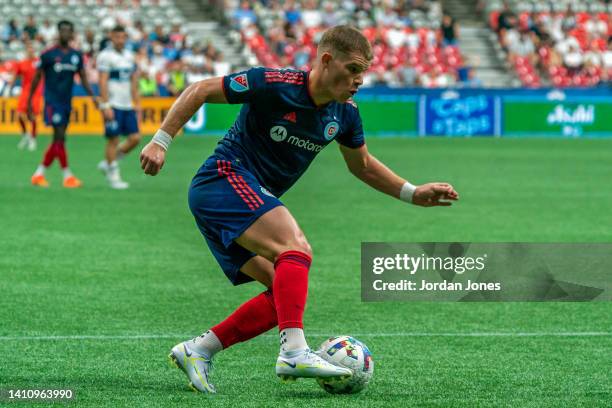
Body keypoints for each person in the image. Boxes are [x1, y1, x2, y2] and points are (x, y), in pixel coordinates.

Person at [139, 25, 459, 393]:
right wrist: (161, 141)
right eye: (353, 69)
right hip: (221, 179)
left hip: (237, 198)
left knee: (285, 292)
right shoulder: (273, 83)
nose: (358, 80)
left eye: (363, 73)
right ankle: (294, 351)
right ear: (326, 60)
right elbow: (201, 90)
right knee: (296, 248)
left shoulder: (346, 114)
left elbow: (363, 166)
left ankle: (199, 350)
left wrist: (413, 193)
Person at [28, 20, 99, 188]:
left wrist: (93, 97)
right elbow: (37, 77)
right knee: (60, 136)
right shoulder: (48, 54)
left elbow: (82, 77)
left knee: (57, 140)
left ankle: (38, 174)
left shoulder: (76, 55)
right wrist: (31, 100)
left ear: (72, 34)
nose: (66, 34)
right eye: (63, 31)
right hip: (52, 102)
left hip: (66, 103)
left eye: (69, 31)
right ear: (58, 32)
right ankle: (67, 176)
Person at [96, 25, 141, 189]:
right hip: (113, 104)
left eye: (123, 37)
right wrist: (105, 104)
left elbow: (134, 81)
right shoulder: (105, 56)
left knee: (135, 138)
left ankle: (108, 163)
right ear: (111, 37)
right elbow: (102, 81)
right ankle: (113, 176)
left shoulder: (130, 56)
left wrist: (137, 103)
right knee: (113, 139)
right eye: (117, 37)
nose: (120, 40)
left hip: (127, 104)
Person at [10, 42, 43, 151]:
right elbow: (16, 74)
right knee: (19, 115)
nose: (30, 51)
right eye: (29, 49)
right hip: (25, 92)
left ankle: (33, 139)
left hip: (36, 92)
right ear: (26, 51)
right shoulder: (22, 63)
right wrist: (10, 85)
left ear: (35, 50)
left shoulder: (38, 62)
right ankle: (25, 135)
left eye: (32, 49)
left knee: (32, 116)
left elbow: (44, 74)